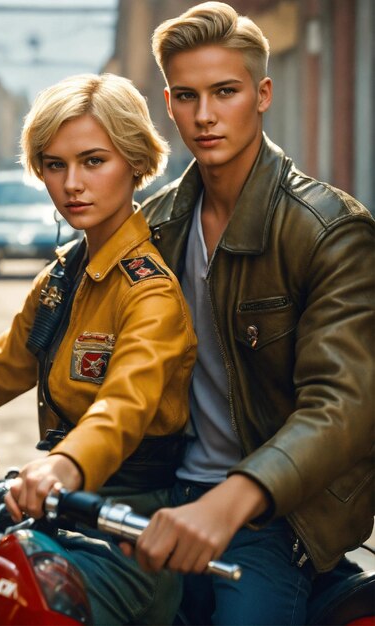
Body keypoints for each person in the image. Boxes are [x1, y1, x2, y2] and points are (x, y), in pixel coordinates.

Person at [129, 2, 374, 625]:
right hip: (162, 496)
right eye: (186, 96)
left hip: (276, 517)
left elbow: (342, 405)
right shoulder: (154, 227)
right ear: (167, 102)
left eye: (225, 92)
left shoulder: (328, 231)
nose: (204, 116)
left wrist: (234, 499)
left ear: (262, 94)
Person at [0, 73, 197, 625]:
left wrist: (64, 466)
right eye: (55, 165)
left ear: (136, 162)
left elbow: (124, 407)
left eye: (94, 161)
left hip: (129, 537)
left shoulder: (150, 292)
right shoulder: (64, 275)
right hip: (57, 515)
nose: (72, 183)